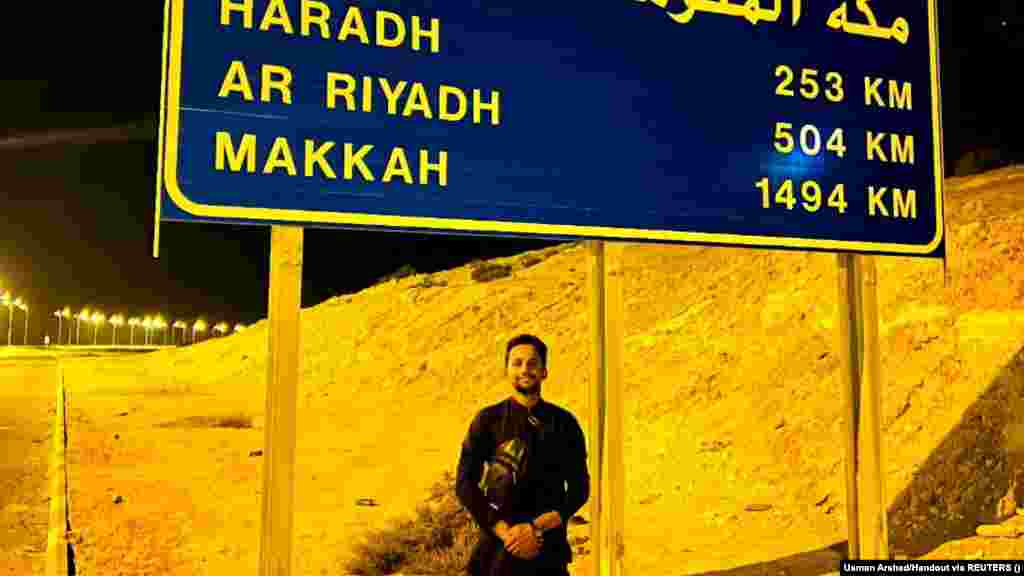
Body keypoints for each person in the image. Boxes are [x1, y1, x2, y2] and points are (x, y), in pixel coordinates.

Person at [456, 333, 590, 576]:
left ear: (544, 371)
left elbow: (580, 488)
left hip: (548, 553)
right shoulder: (487, 420)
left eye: (532, 363)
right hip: (495, 555)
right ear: (506, 370)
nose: (524, 369)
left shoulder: (564, 423)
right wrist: (507, 534)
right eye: (517, 363)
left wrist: (535, 529)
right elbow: (465, 484)